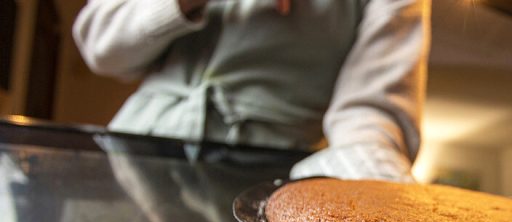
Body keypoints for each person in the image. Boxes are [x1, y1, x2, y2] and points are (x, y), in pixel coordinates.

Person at [72, 0, 430, 182]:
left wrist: (375, 180)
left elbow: (371, 113)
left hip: (266, 187)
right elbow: (99, 49)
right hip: (128, 162)